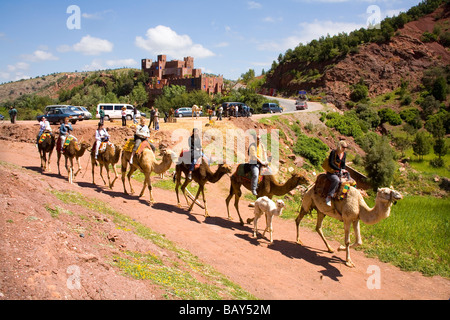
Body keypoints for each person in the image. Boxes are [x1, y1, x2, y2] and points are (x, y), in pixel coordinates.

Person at [324, 140, 348, 206]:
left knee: (348, 181)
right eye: (343, 147)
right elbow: (331, 163)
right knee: (336, 180)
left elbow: (343, 164)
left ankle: (341, 197)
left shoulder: (344, 154)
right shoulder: (333, 152)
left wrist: (343, 170)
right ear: (340, 146)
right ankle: (329, 197)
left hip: (339, 172)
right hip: (331, 172)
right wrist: (339, 169)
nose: (344, 149)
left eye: (345, 147)